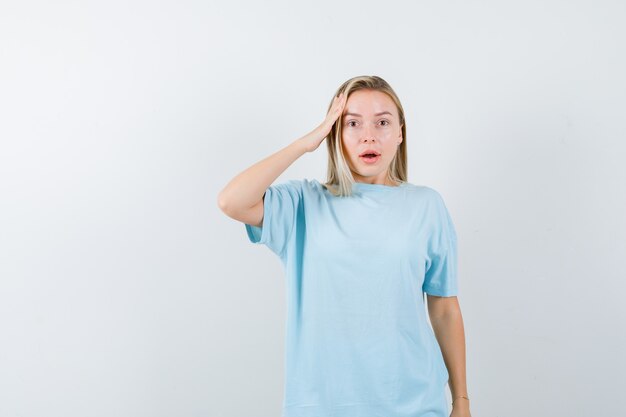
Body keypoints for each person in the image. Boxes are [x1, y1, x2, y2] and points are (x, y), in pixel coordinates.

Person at [218, 75, 472, 417]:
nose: (369, 134)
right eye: (352, 123)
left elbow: (443, 308)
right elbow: (231, 201)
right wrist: (304, 144)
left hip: (414, 405)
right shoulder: (302, 203)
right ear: (334, 133)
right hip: (320, 406)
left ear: (400, 133)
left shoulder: (427, 206)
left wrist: (461, 402)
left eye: (382, 122)